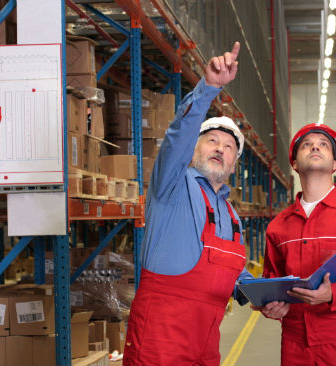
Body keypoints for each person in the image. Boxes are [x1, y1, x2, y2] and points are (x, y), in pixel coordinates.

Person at [123, 42, 253, 366]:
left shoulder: (232, 215)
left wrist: (263, 292)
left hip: (206, 344)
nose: (220, 149)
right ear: (193, 150)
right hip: (159, 342)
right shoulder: (172, 184)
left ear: (234, 164)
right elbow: (178, 135)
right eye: (211, 140)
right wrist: (209, 88)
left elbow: (230, 273)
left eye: (228, 147)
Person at [255, 123, 336, 366]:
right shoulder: (278, 226)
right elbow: (272, 280)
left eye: (323, 145)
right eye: (306, 145)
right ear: (294, 164)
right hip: (295, 344)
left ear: (335, 164)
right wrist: (272, 306)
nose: (315, 146)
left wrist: (334, 294)